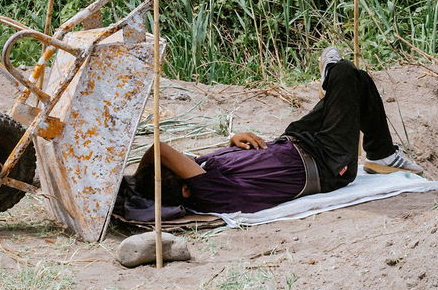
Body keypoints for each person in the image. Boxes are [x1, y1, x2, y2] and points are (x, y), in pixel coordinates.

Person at [135, 49, 423, 215]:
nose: (187, 160)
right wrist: (140, 178)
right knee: (347, 73)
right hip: (326, 164)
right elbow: (158, 149)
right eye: (180, 168)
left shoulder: (201, 175)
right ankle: (335, 84)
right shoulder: (209, 192)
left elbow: (189, 162)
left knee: (357, 79)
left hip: (297, 140)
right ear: (185, 187)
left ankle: (382, 154)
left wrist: (232, 141)